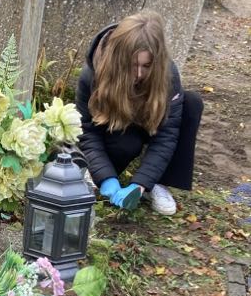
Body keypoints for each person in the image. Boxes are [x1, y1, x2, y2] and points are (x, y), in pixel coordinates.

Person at [76, 11, 203, 216]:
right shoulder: (92, 74)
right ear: (119, 59)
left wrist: (142, 183)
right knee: (127, 143)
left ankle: (158, 183)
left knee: (192, 104)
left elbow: (167, 135)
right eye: (133, 65)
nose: (139, 74)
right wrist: (106, 177)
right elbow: (87, 132)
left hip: (147, 124)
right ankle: (103, 174)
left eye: (146, 66)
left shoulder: (167, 75)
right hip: (115, 135)